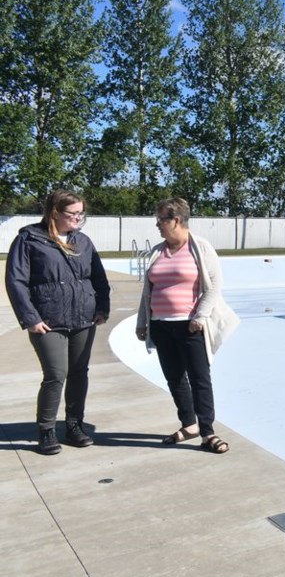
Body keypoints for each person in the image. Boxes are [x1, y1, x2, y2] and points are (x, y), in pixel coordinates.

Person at [5, 190, 111, 455]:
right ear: (55, 212)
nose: (78, 218)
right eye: (72, 213)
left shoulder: (83, 241)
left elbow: (98, 278)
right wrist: (30, 318)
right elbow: (16, 281)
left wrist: (102, 308)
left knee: (79, 373)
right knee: (55, 374)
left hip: (84, 319)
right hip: (48, 321)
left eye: (81, 213)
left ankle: (74, 425)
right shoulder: (29, 239)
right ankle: (46, 430)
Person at [135, 198, 239, 454]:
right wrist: (143, 322)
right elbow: (149, 290)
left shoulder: (201, 248)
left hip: (190, 326)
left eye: (161, 220)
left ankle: (207, 432)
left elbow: (214, 286)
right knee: (175, 379)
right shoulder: (158, 251)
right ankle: (188, 424)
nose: (157, 225)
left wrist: (200, 317)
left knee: (200, 379)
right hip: (161, 325)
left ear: (176, 220)